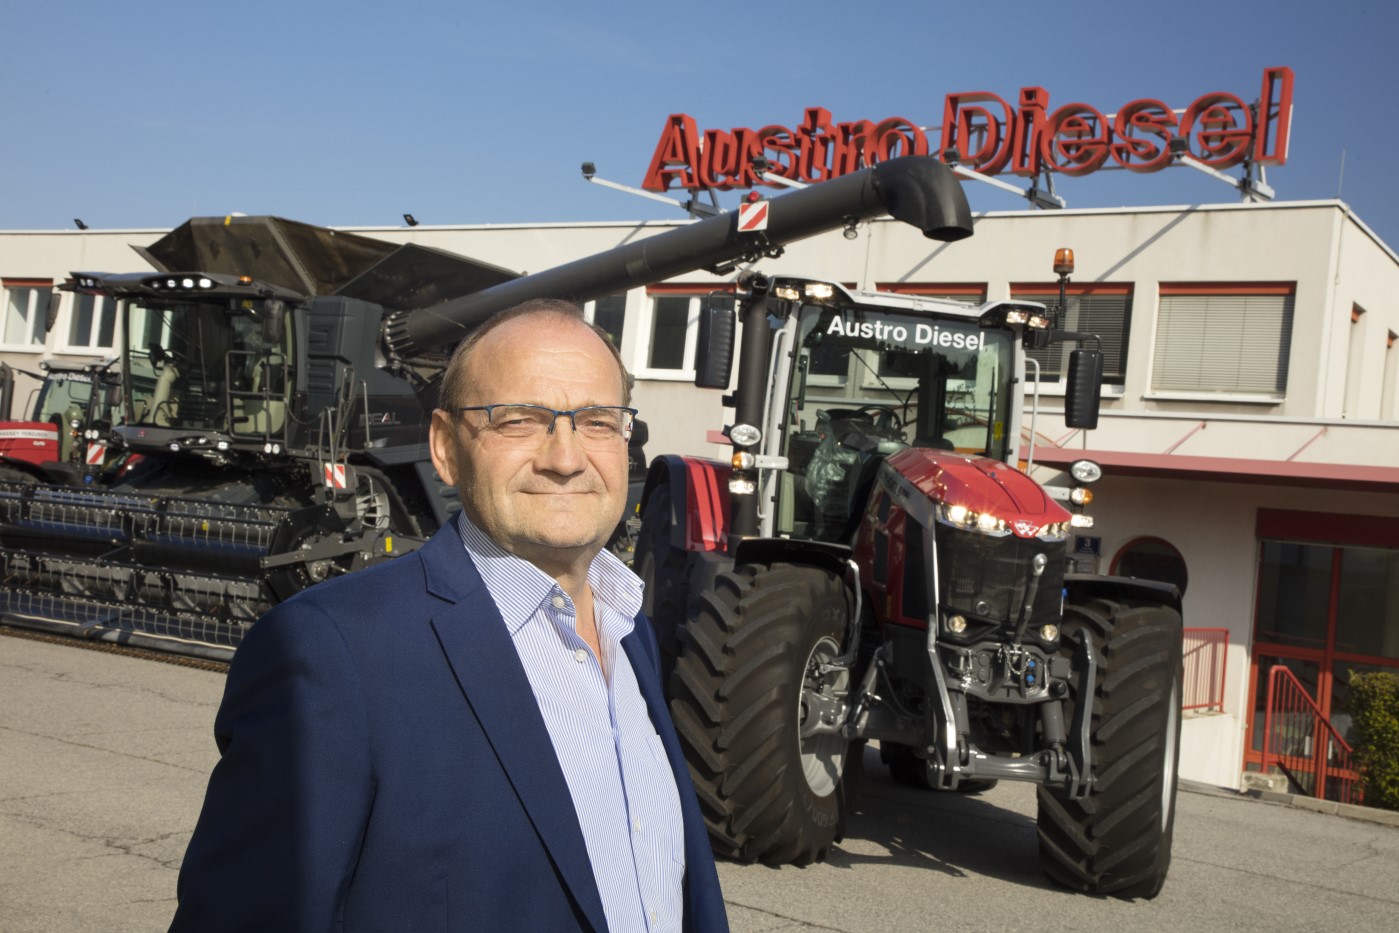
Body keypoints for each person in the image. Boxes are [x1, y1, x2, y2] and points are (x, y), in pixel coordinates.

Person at [169, 299, 728, 932]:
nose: (566, 458)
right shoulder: (334, 651)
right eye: (520, 421)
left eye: (597, 421)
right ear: (445, 447)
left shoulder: (630, 632)